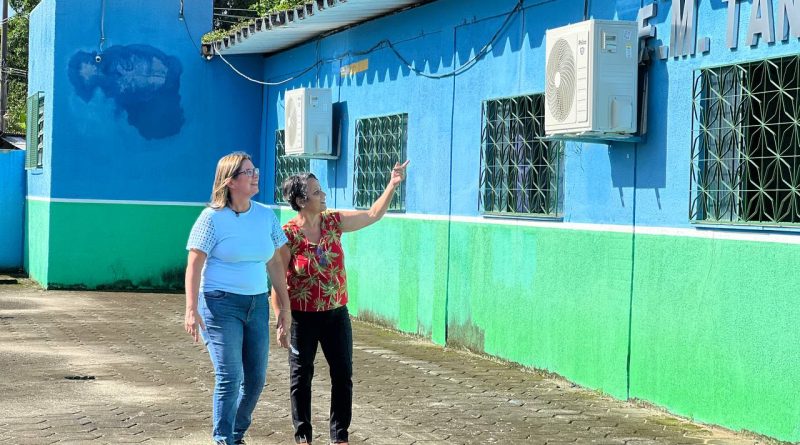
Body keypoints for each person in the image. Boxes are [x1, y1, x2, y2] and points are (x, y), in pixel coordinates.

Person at [272, 160, 410, 445]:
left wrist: (392, 184)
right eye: (316, 192)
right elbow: (278, 282)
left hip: (336, 315)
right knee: (301, 377)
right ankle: (303, 436)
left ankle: (339, 436)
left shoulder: (333, 221)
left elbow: (372, 214)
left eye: (321, 190)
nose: (323, 195)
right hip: (302, 317)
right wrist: (282, 319)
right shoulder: (288, 235)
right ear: (301, 201)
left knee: (343, 375)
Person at [184, 151, 292, 445]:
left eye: (255, 170)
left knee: (255, 380)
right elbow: (194, 264)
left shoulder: (265, 216)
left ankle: (235, 433)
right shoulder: (212, 218)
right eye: (248, 172)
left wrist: (285, 307)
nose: (255, 176)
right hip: (219, 304)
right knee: (230, 376)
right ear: (230, 181)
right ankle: (224, 439)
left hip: (256, 304)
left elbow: (275, 262)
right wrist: (191, 309)